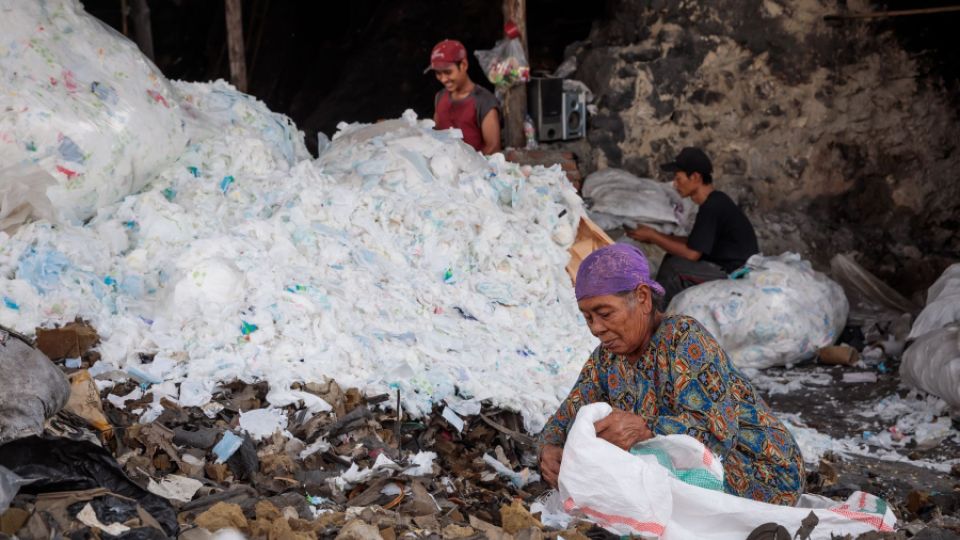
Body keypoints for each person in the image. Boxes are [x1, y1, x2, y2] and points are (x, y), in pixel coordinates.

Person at [538, 244, 805, 505]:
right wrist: (549, 448)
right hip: (689, 469)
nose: (596, 328)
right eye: (587, 318)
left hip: (761, 469)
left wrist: (644, 428)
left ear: (642, 298)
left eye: (605, 313)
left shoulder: (684, 338)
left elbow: (716, 434)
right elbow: (565, 417)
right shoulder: (606, 359)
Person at [624, 147, 759, 306]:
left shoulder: (712, 206)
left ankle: (653, 314)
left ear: (695, 177)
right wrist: (654, 237)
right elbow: (694, 243)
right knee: (672, 258)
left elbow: (691, 254)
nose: (675, 184)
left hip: (735, 272)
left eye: (679, 179)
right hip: (727, 266)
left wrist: (654, 236)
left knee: (675, 268)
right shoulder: (714, 201)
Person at [425, 39, 501, 155]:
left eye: (448, 72)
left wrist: (469, 167)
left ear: (464, 65)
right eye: (438, 73)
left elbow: (493, 147)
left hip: (474, 170)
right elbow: (435, 135)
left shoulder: (484, 101)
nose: (443, 79)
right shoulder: (440, 97)